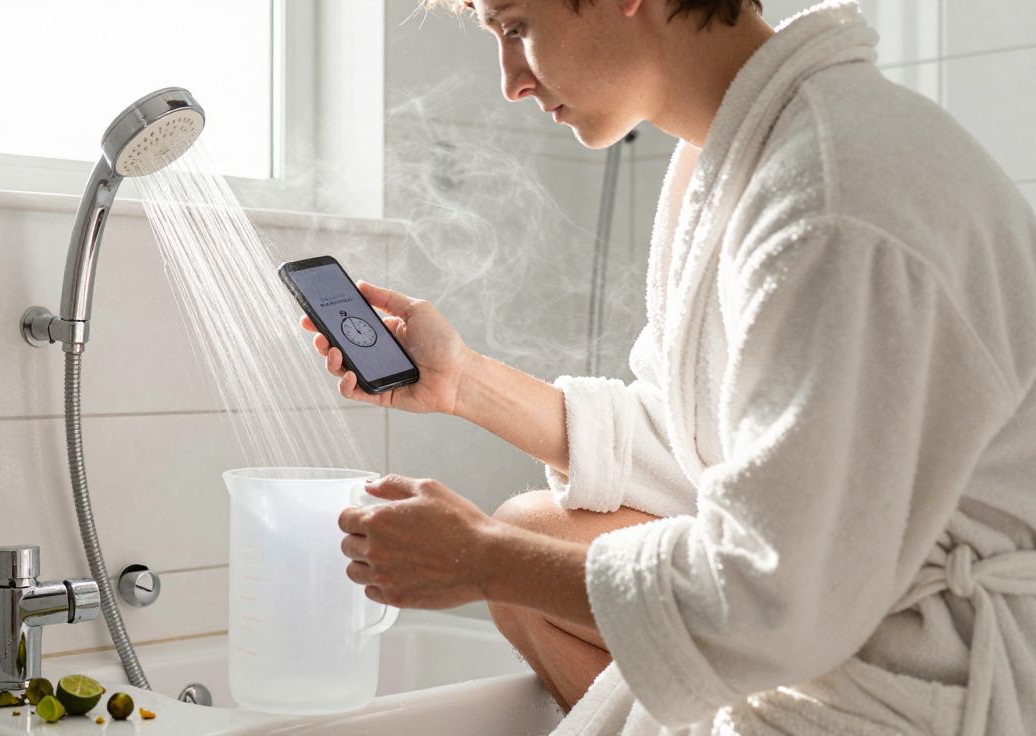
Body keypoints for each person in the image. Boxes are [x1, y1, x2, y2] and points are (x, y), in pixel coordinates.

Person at [301, 0, 1036, 734]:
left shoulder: (830, 197)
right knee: (534, 528)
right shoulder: (729, 154)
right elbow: (698, 442)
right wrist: (464, 383)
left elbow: (776, 597)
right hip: (820, 612)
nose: (511, 82)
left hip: (922, 677)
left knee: (518, 553)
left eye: (517, 27)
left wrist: (483, 560)